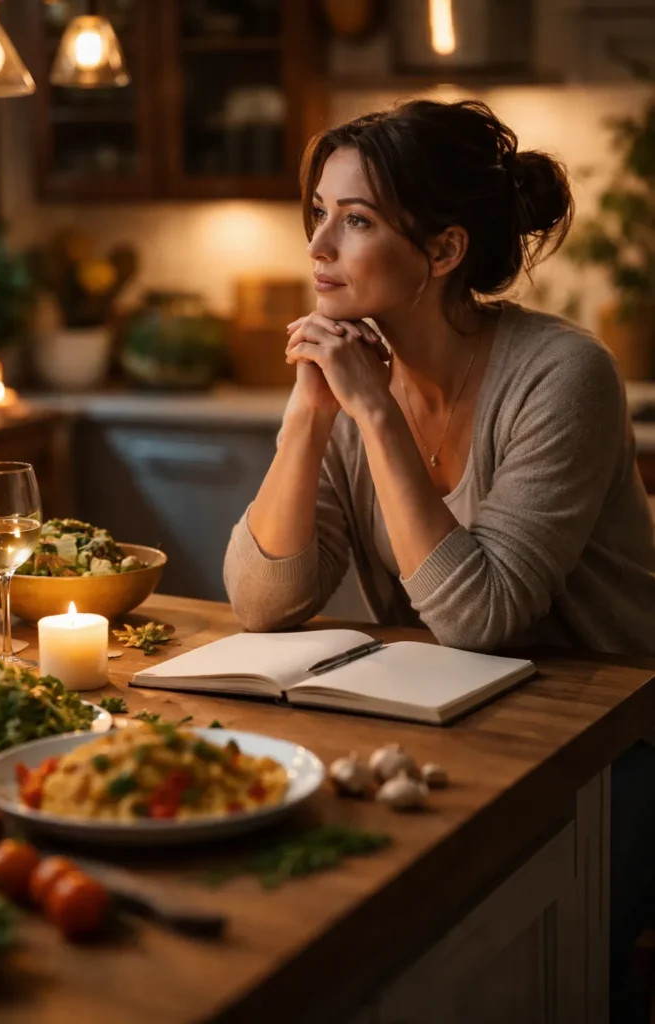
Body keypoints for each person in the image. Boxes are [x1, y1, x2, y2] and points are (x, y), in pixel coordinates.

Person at [223, 99, 655, 1021]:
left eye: (357, 220)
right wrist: (308, 416)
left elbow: (480, 616)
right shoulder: (349, 374)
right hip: (455, 726)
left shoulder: (561, 376)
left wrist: (371, 413)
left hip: (615, 743)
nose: (318, 246)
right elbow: (262, 601)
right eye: (318, 214)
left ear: (445, 250)